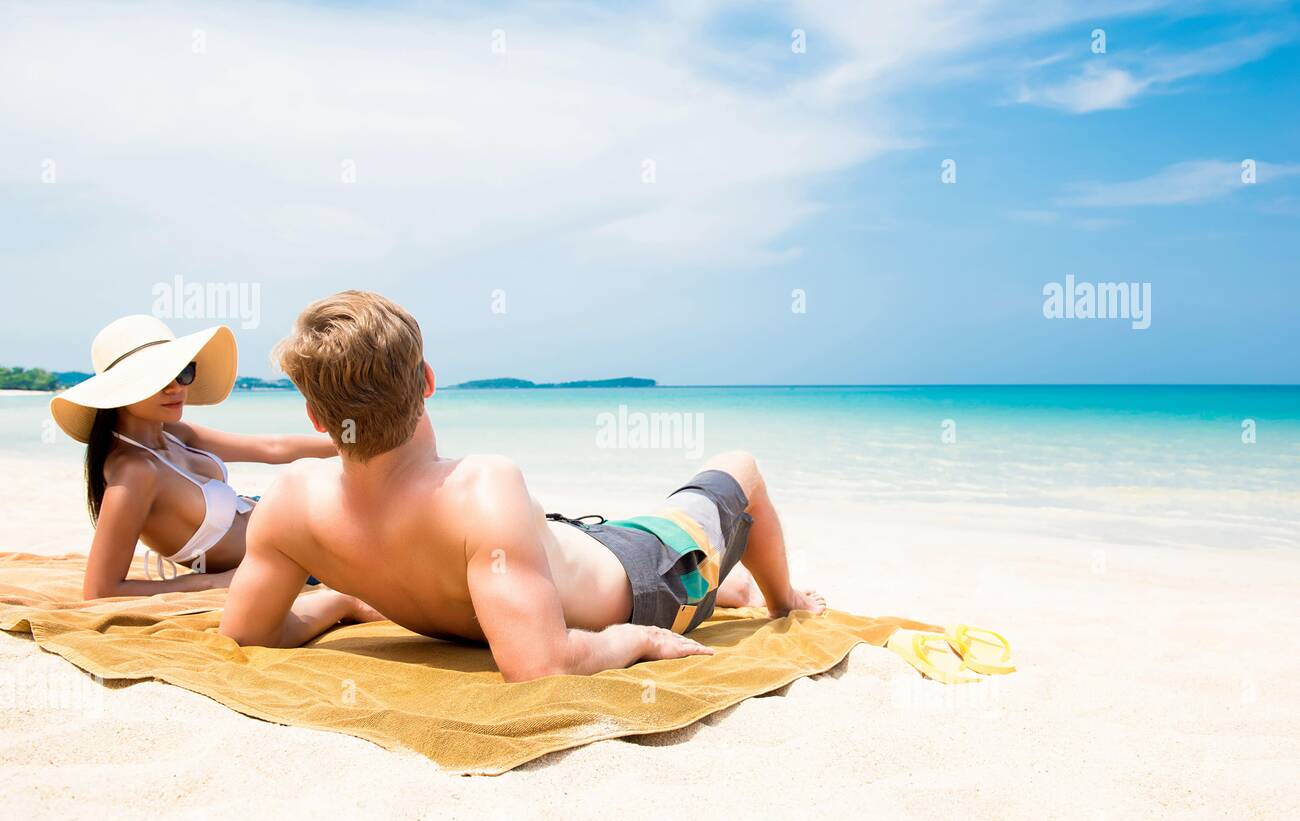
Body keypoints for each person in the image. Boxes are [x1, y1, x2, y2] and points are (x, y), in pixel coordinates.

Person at [221, 291, 825, 679]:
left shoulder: (291, 503)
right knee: (740, 469)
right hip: (648, 583)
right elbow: (540, 666)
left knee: (597, 534)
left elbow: (250, 630)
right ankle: (783, 601)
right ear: (428, 380)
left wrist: (337, 600)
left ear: (317, 419)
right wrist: (635, 641)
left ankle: (734, 589)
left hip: (577, 551)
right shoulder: (482, 487)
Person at [51, 315, 339, 599]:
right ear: (120, 390)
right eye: (157, 379)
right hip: (296, 552)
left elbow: (270, 448)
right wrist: (212, 582)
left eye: (182, 372)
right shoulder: (134, 470)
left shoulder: (173, 432)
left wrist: (352, 440)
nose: (175, 387)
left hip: (284, 521)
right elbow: (101, 590)